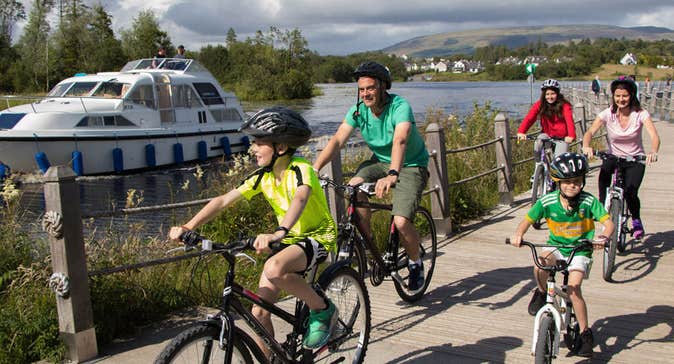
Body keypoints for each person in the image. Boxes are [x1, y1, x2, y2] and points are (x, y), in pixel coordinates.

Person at [168, 107, 338, 356]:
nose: (253, 148)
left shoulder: (302, 169)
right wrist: (188, 227)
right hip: (288, 239)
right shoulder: (263, 177)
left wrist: (279, 232)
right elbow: (223, 200)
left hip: (317, 235)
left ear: (280, 147)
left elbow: (300, 198)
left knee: (273, 268)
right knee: (258, 314)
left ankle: (322, 309)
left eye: (259, 142)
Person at [313, 61, 430, 291]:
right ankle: (368, 245)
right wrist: (314, 168)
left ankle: (416, 264)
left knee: (401, 220)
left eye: (371, 88)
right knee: (352, 188)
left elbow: (401, 139)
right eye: (362, 89)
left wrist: (393, 174)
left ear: (383, 87)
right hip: (380, 163)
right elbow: (337, 140)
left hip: (411, 164)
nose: (366, 93)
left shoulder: (399, 106)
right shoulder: (358, 111)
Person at [510, 152, 614, 358]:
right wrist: (518, 234)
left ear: (583, 181)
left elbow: (608, 222)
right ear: (558, 182)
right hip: (556, 245)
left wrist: (604, 236)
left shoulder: (588, 201)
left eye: (576, 181)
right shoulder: (548, 201)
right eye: (566, 182)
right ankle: (541, 293)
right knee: (540, 265)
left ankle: (585, 333)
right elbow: (528, 220)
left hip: (581, 248)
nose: (572, 186)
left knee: (574, 288)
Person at [582, 77, 660, 240]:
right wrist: (586, 145)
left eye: (624, 96)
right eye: (617, 96)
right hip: (614, 156)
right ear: (613, 96)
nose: (621, 99)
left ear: (631, 95)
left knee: (631, 192)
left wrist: (653, 151)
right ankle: (603, 207)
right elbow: (590, 132)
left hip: (635, 159)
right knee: (604, 176)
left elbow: (654, 136)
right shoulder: (607, 113)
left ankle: (636, 220)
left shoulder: (640, 114)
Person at [517, 79, 576, 161]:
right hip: (547, 135)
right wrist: (521, 131)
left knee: (559, 159)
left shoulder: (565, 105)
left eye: (553, 94)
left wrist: (571, 135)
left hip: (562, 138)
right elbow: (530, 118)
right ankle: (539, 166)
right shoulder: (540, 104)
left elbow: (569, 121)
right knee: (538, 143)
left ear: (557, 94)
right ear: (543, 95)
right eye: (547, 94)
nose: (550, 97)